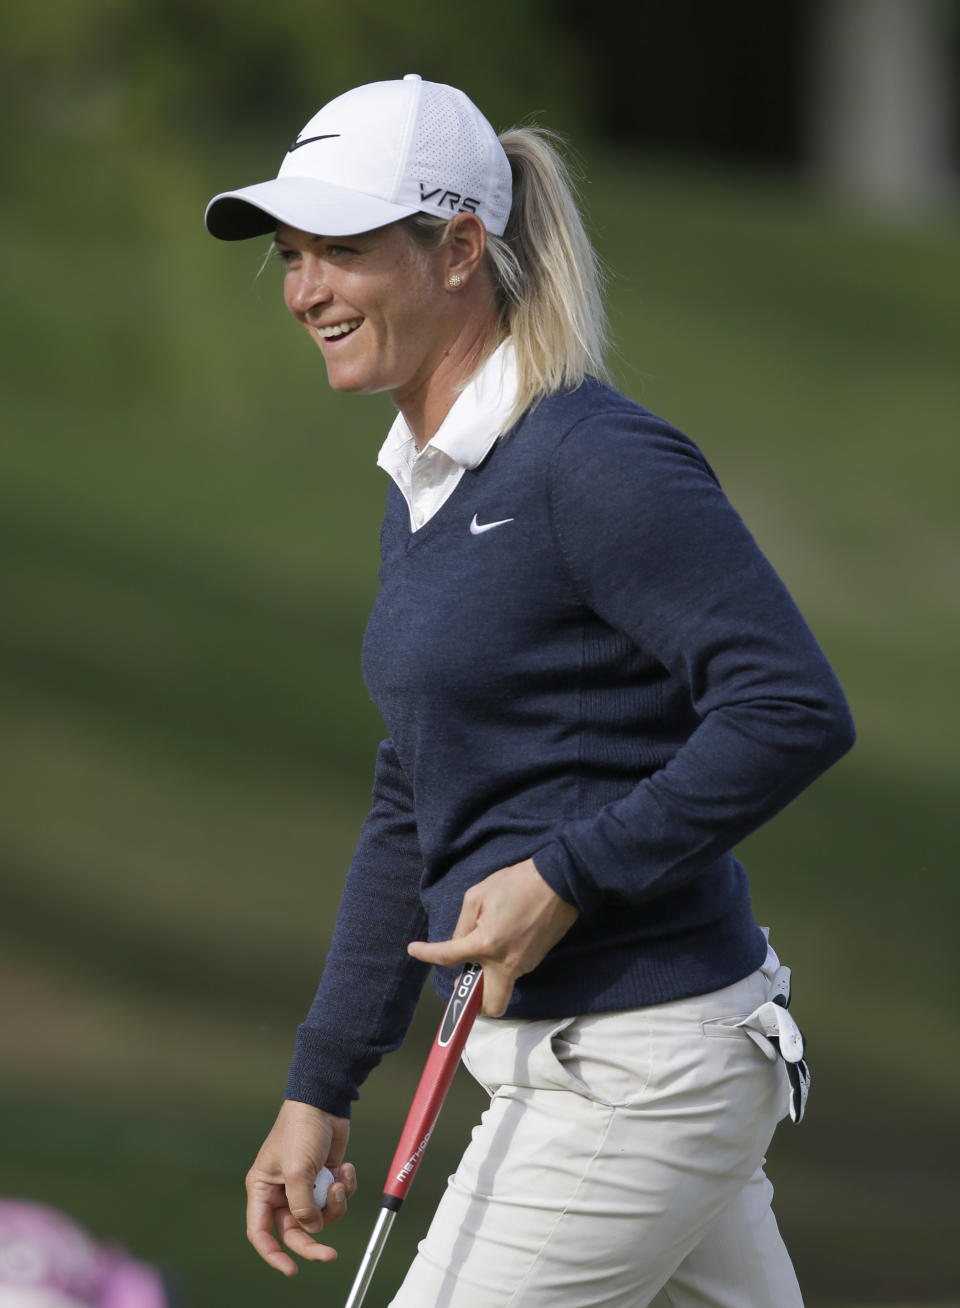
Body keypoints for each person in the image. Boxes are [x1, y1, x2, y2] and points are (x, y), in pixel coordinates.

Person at [204, 74, 855, 1307]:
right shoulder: (429, 484)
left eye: (341, 251)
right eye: (291, 258)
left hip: (639, 1064)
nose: (305, 292)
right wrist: (320, 1082)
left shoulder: (589, 462)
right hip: (586, 1059)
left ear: (460, 248)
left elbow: (789, 707)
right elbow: (416, 796)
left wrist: (568, 874)